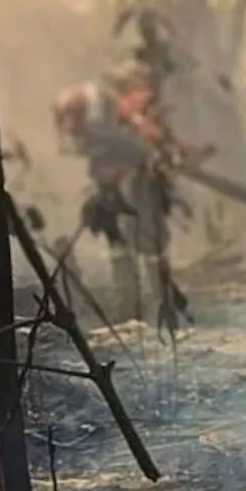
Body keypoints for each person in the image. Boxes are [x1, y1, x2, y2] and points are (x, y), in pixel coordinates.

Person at [54, 58, 203, 321]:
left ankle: (142, 313)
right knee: (138, 245)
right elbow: (129, 149)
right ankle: (142, 314)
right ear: (131, 89)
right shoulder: (105, 116)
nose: (143, 101)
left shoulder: (114, 117)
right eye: (141, 94)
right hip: (125, 187)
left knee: (133, 246)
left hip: (122, 186)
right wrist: (149, 146)